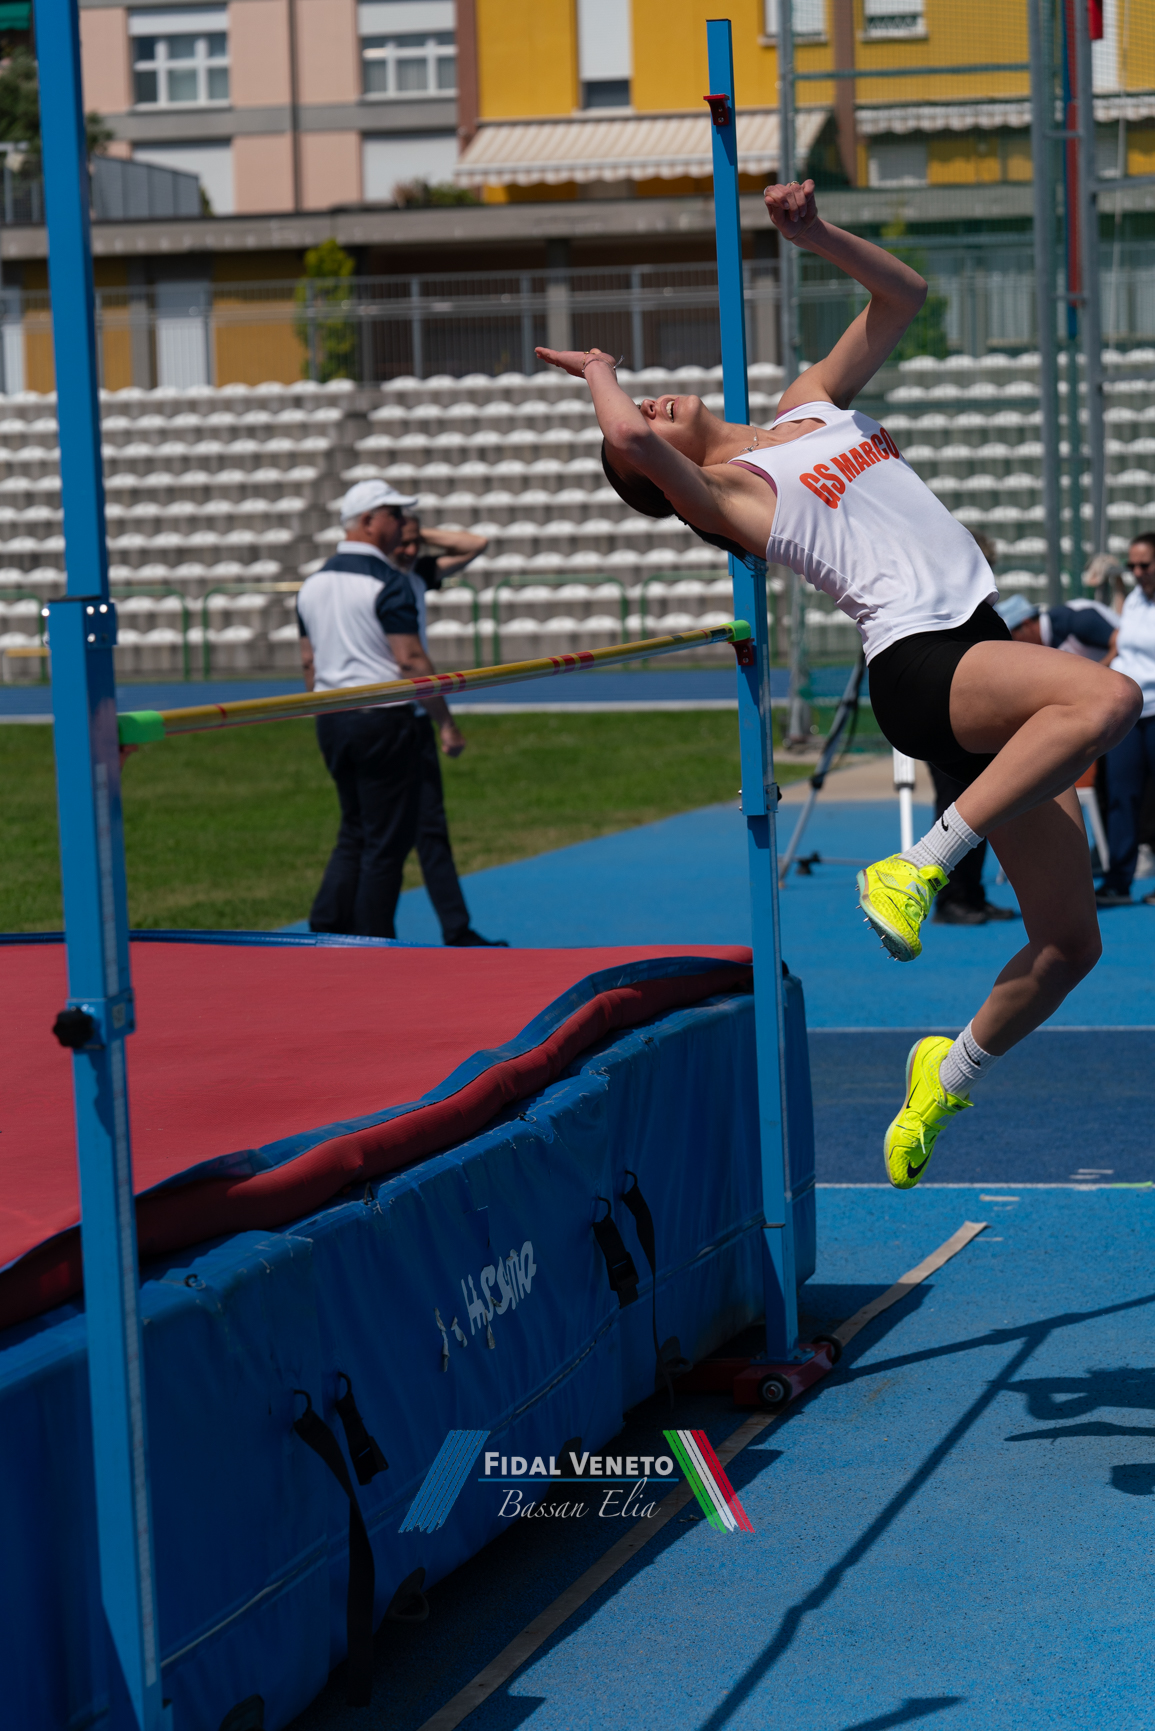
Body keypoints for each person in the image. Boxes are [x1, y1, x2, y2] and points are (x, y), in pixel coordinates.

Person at [535, 177, 1140, 1192]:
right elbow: (630, 440)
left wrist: (817, 234)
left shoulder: (805, 403)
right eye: (639, 423)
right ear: (661, 483)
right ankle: (917, 865)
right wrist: (599, 373)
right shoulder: (727, 495)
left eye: (641, 400)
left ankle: (945, 1074)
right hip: (921, 663)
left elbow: (904, 296)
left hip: (979, 648)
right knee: (1107, 699)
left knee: (1069, 945)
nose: (648, 408)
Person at [297, 479, 504, 945]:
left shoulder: (313, 583)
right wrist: (445, 721)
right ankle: (374, 942)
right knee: (386, 843)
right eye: (393, 515)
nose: (400, 525)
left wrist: (321, 710)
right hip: (384, 718)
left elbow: (309, 662)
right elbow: (410, 661)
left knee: (355, 829)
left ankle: (328, 926)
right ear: (369, 521)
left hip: (332, 716)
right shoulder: (387, 582)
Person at [390, 513, 508, 947]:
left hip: (415, 713)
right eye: (401, 542)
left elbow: (475, 543)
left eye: (414, 544)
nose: (409, 551)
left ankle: (457, 930)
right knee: (376, 837)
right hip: (385, 715)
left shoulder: (418, 574)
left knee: (430, 830)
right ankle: (347, 927)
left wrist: (416, 533)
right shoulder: (374, 580)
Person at [1095, 532, 1155, 909]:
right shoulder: (1134, 600)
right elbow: (1120, 646)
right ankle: (1118, 880)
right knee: (1120, 795)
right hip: (1131, 714)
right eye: (1132, 565)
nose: (1137, 571)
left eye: (1144, 565)